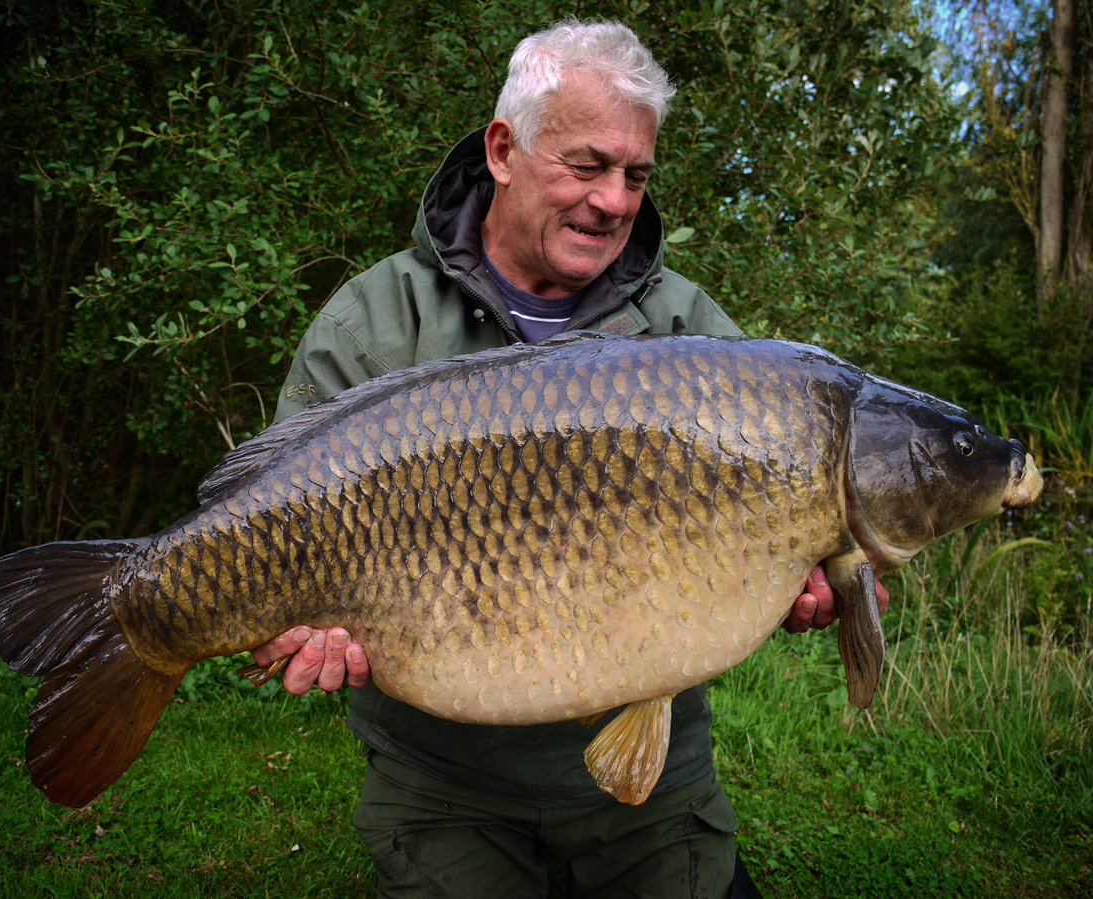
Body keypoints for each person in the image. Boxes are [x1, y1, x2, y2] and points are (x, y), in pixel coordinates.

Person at [253, 19, 887, 898]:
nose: (616, 201)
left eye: (636, 175)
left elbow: (802, 536)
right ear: (505, 150)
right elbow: (267, 513)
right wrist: (294, 620)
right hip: (441, 776)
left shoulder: (690, 336)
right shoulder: (374, 323)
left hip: (654, 773)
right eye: (587, 166)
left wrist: (815, 577)